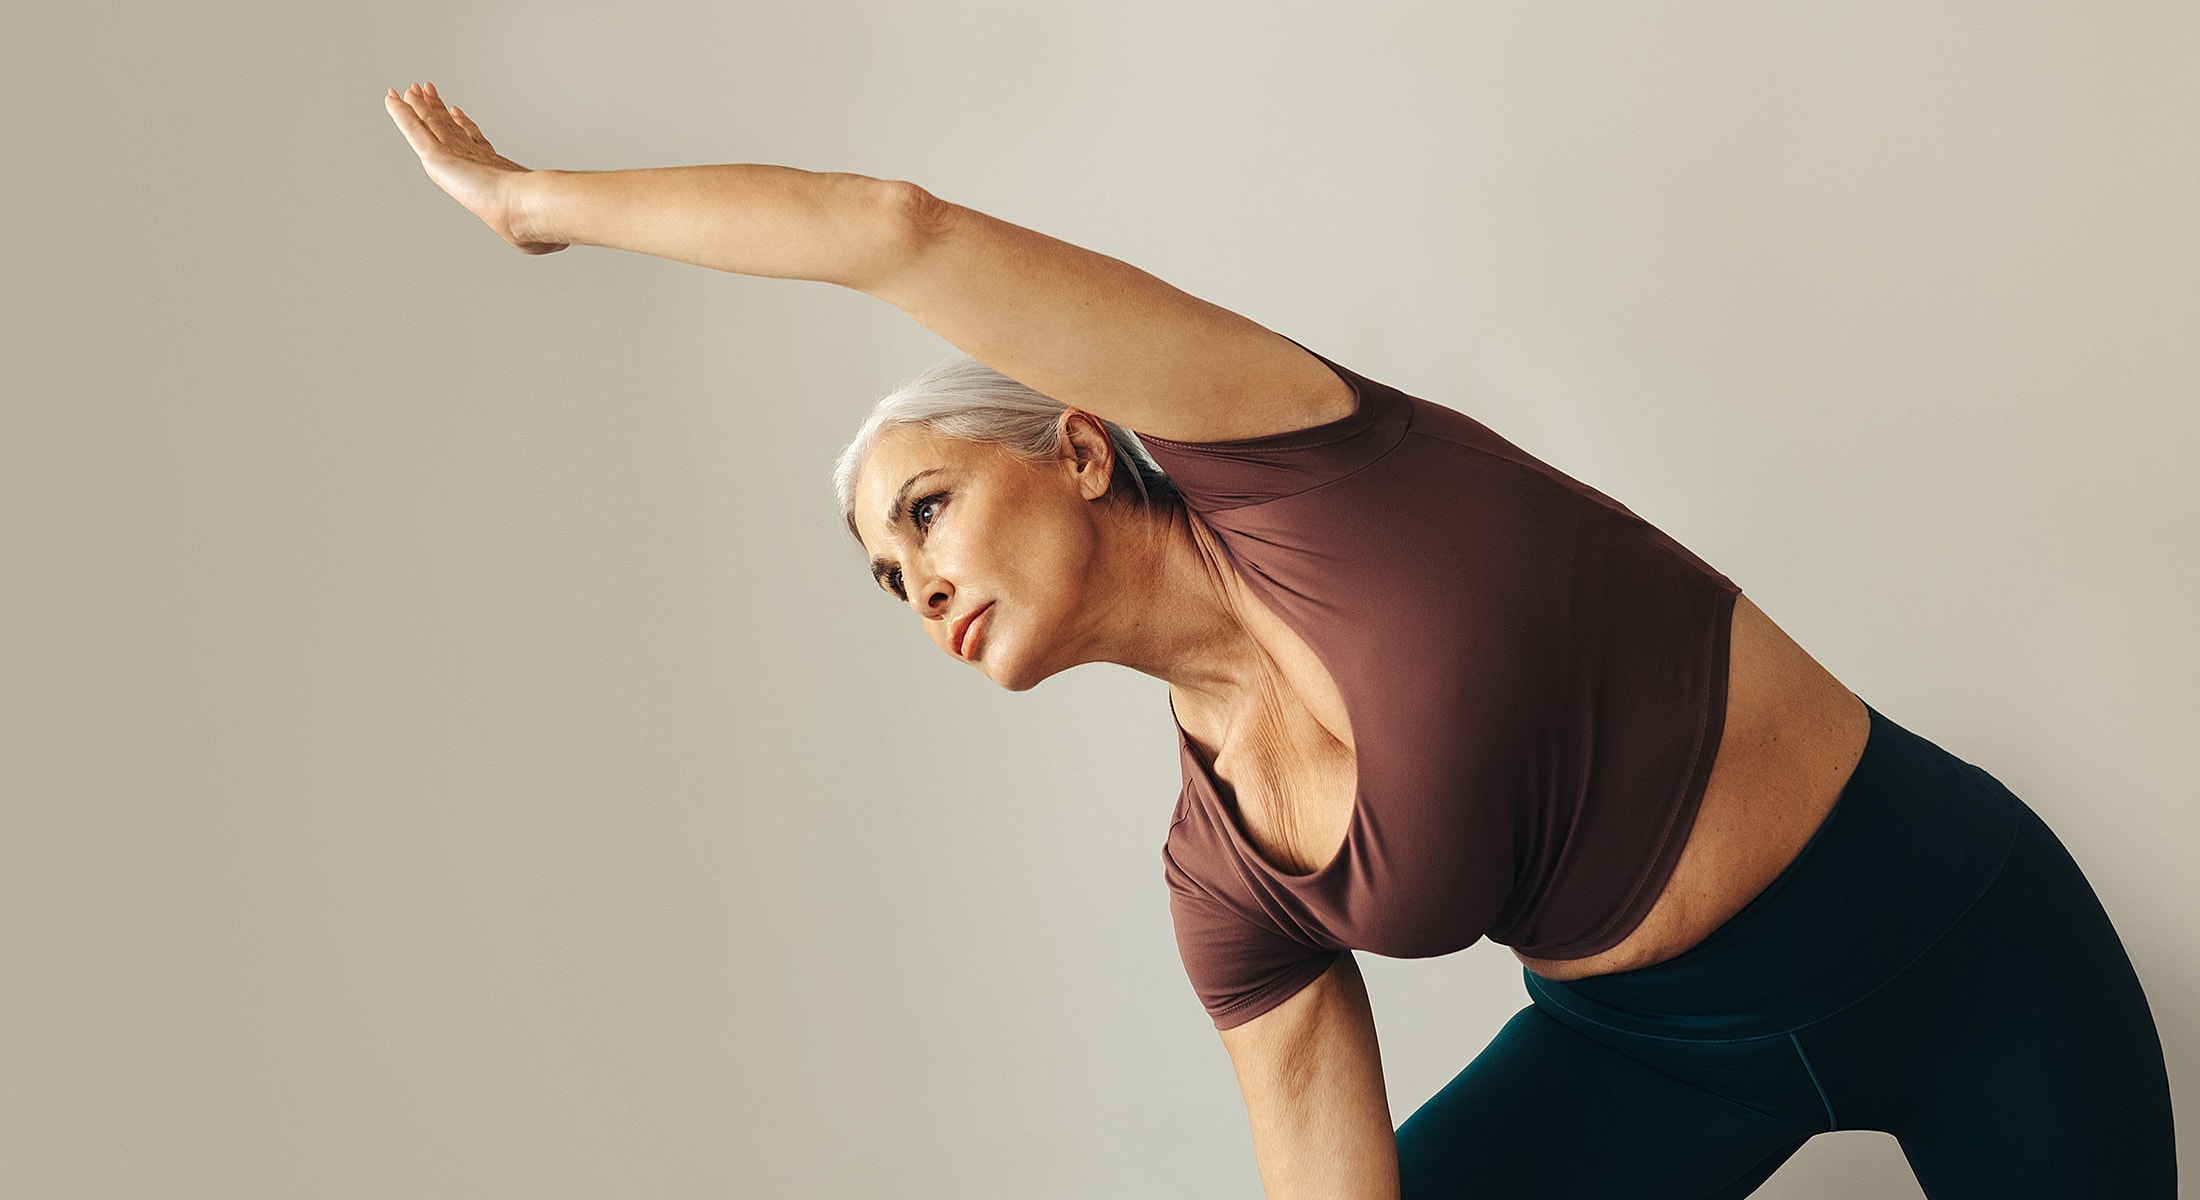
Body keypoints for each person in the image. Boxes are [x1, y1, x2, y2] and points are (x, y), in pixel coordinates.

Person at [383, 82, 2177, 1198]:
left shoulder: (1298, 453)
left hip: (1963, 948)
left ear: (1079, 446)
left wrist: (540, 206)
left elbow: (892, 231)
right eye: (884, 573)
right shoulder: (1219, 884)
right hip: (1651, 1058)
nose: (914, 580)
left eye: (925, 510)